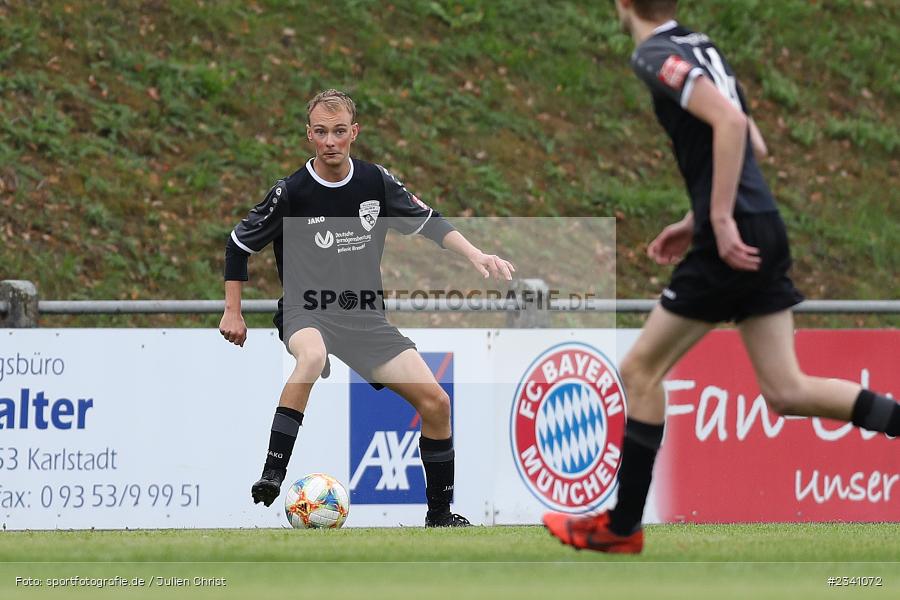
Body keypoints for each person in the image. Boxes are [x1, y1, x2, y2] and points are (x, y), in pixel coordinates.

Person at [543, 0, 899, 553]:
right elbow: (750, 140)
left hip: (735, 232)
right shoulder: (699, 45)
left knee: (640, 369)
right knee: (786, 390)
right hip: (765, 224)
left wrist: (717, 217)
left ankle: (621, 528)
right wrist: (698, 217)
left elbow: (732, 125)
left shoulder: (653, 54)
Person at [219, 89, 514, 527]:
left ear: (353, 132)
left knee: (436, 403)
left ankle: (439, 516)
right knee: (312, 356)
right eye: (321, 132)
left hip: (364, 319)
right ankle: (272, 473)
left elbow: (429, 222)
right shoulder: (291, 192)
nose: (331, 141)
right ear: (309, 136)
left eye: (339, 131)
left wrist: (475, 254)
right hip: (307, 311)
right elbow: (238, 244)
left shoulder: (376, 182)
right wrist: (233, 311)